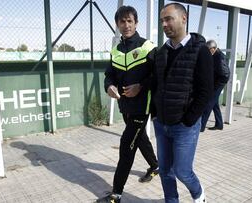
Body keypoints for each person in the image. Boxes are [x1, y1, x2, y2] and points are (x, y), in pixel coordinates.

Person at [95, 5, 159, 203]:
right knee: (139, 139)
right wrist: (109, 87)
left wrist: (141, 86)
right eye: (122, 21)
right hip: (125, 107)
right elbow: (109, 76)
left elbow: (158, 75)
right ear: (117, 24)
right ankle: (155, 166)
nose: (126, 25)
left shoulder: (147, 46)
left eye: (130, 21)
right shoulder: (116, 50)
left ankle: (116, 194)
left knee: (126, 146)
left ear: (136, 23)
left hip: (142, 106)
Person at [151, 3, 213, 203]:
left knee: (182, 171)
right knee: (165, 171)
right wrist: (155, 114)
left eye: (168, 19)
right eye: (162, 20)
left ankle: (199, 195)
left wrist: (189, 119)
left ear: (184, 18)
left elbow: (206, 90)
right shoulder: (162, 52)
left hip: (184, 126)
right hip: (162, 124)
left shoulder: (200, 50)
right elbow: (156, 85)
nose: (164, 24)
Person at [200, 40, 230, 132]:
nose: (208, 52)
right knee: (214, 103)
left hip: (220, 81)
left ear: (213, 48)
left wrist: (214, 85)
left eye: (208, 50)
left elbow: (223, 73)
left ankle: (201, 126)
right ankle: (219, 124)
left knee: (209, 103)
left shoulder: (219, 57)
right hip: (217, 80)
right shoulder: (215, 54)